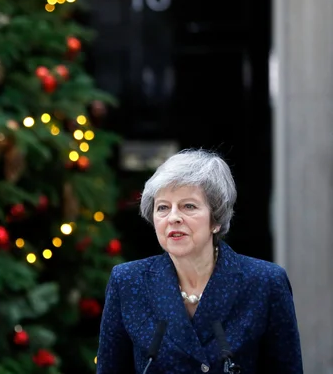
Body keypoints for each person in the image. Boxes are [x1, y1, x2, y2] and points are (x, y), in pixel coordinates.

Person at [96, 149, 303, 373]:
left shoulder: (266, 282)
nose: (173, 217)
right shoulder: (127, 281)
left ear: (215, 220)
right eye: (163, 207)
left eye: (188, 206)